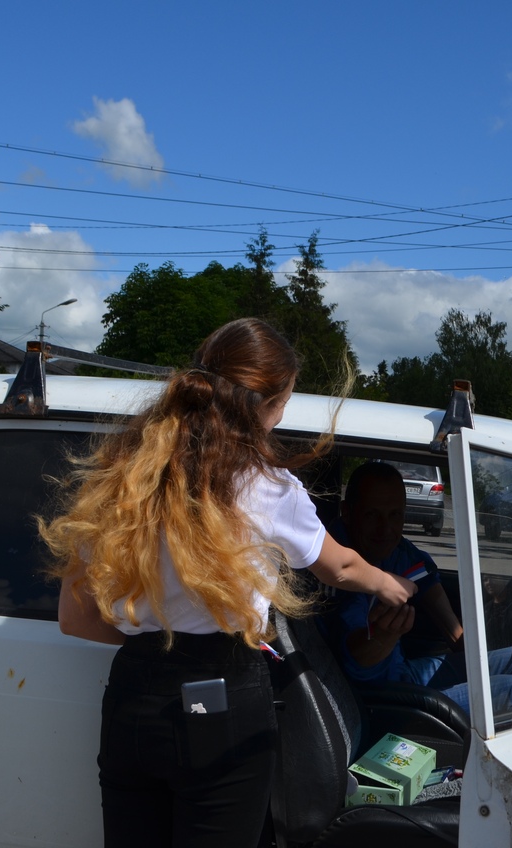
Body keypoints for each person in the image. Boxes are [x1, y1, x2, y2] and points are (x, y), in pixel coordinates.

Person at [40, 318, 415, 848]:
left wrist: (156, 648)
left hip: (132, 696)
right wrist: (391, 584)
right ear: (266, 405)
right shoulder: (267, 485)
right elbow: (341, 568)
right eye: (284, 402)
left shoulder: (122, 475)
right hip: (223, 697)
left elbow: (74, 619)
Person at [327, 461, 512, 714]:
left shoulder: (393, 549)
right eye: (371, 514)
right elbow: (353, 661)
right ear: (347, 512)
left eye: (395, 515)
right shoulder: (334, 566)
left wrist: (467, 648)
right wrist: (382, 636)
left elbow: (444, 615)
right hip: (377, 701)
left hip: (403, 674)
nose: (385, 528)